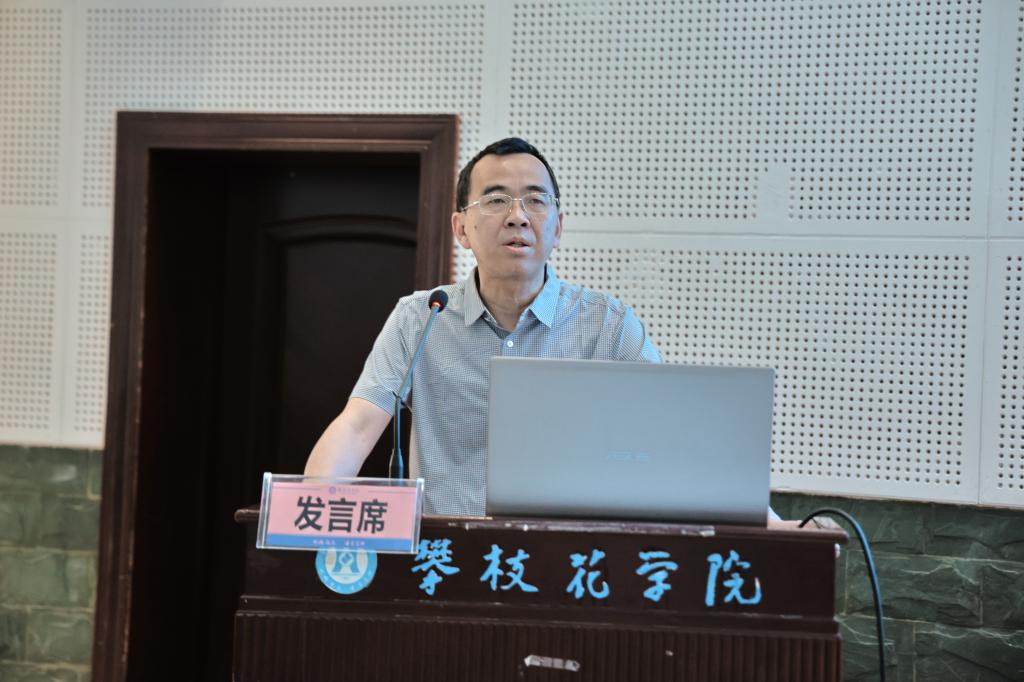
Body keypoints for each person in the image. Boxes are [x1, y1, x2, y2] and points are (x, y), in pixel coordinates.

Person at [304, 137, 661, 516]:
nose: (517, 216)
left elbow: (659, 436)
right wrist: (310, 511)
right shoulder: (420, 318)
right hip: (445, 548)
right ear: (461, 229)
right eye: (496, 200)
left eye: (536, 200)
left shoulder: (607, 325)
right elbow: (358, 426)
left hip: (562, 547)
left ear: (558, 228)